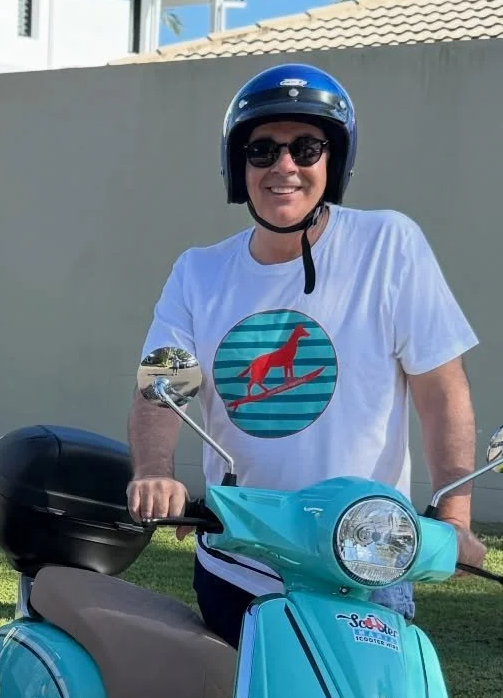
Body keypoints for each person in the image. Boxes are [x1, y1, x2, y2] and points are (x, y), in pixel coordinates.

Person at [128, 62, 487, 646]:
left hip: (364, 565)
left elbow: (441, 391)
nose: (284, 166)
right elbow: (161, 390)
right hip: (238, 560)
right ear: (238, 166)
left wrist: (454, 517)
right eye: (262, 150)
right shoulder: (199, 272)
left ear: (333, 162)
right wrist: (154, 472)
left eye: (306, 148)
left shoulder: (388, 245)